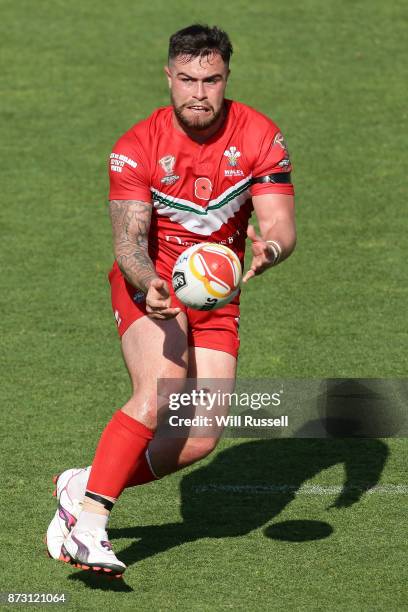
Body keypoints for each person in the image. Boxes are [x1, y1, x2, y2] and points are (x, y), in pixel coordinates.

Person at [46, 24, 296, 577]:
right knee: (158, 392)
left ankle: (84, 482)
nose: (198, 93)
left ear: (226, 78)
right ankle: (89, 524)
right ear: (169, 77)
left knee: (200, 435)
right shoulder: (137, 146)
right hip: (150, 286)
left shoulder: (260, 136)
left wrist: (271, 247)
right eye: (186, 79)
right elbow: (129, 244)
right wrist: (148, 282)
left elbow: (280, 222)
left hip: (217, 294)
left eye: (211, 80)